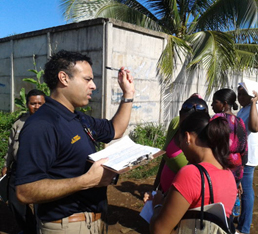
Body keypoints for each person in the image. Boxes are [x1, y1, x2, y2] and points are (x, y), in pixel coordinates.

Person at [15, 50, 135, 233]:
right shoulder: (42, 124)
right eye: (87, 79)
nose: (93, 86)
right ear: (64, 78)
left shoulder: (78, 118)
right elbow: (25, 191)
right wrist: (85, 181)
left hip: (94, 221)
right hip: (66, 225)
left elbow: (115, 130)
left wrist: (128, 94)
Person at [148, 111, 237, 234]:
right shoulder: (228, 174)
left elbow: (159, 230)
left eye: (180, 142)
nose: (181, 149)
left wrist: (157, 205)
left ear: (187, 137)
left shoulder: (191, 174)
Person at [1, 89, 46, 234]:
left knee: (41, 204)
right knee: (15, 203)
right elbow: (10, 147)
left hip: (41, 170)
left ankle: (42, 230)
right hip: (19, 169)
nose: (37, 106)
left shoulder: (51, 122)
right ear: (27, 104)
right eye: (33, 103)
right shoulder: (19, 123)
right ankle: (28, 229)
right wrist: (6, 165)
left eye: (40, 103)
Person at [153, 94, 208, 193]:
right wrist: (155, 188)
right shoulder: (174, 124)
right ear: (180, 115)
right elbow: (164, 157)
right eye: (184, 123)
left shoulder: (205, 142)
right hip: (163, 191)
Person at [236, 81, 258, 234]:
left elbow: (254, 128)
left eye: (242, 93)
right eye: (238, 93)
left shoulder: (257, 109)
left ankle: (244, 228)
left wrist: (254, 102)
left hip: (248, 158)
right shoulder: (244, 110)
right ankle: (239, 219)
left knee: (246, 191)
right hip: (241, 155)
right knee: (241, 189)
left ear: (252, 94)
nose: (239, 96)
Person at [211, 88, 248, 186]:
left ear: (224, 104)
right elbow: (245, 150)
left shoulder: (217, 119)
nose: (212, 105)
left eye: (215, 102)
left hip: (221, 167)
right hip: (237, 170)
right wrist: (241, 168)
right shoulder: (240, 121)